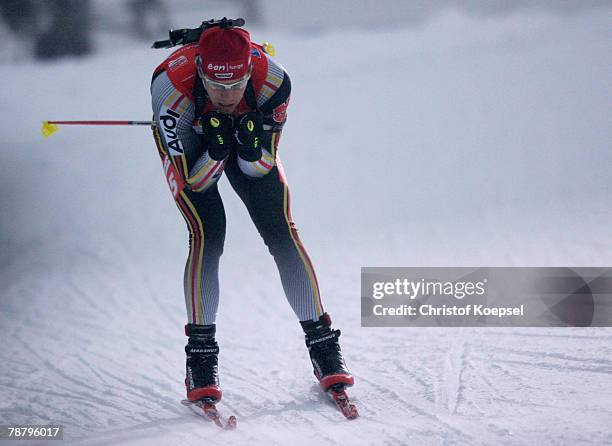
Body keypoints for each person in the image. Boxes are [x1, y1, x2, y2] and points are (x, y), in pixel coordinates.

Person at [150, 19, 354, 404]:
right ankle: (200, 358)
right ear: (200, 72)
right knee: (208, 233)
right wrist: (214, 151)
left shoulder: (273, 83)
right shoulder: (170, 90)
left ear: (248, 72)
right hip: (190, 138)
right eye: (216, 86)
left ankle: (325, 347)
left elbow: (261, 169)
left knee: (282, 231)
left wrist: (246, 148)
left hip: (237, 137)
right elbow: (194, 184)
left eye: (235, 85)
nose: (226, 96)